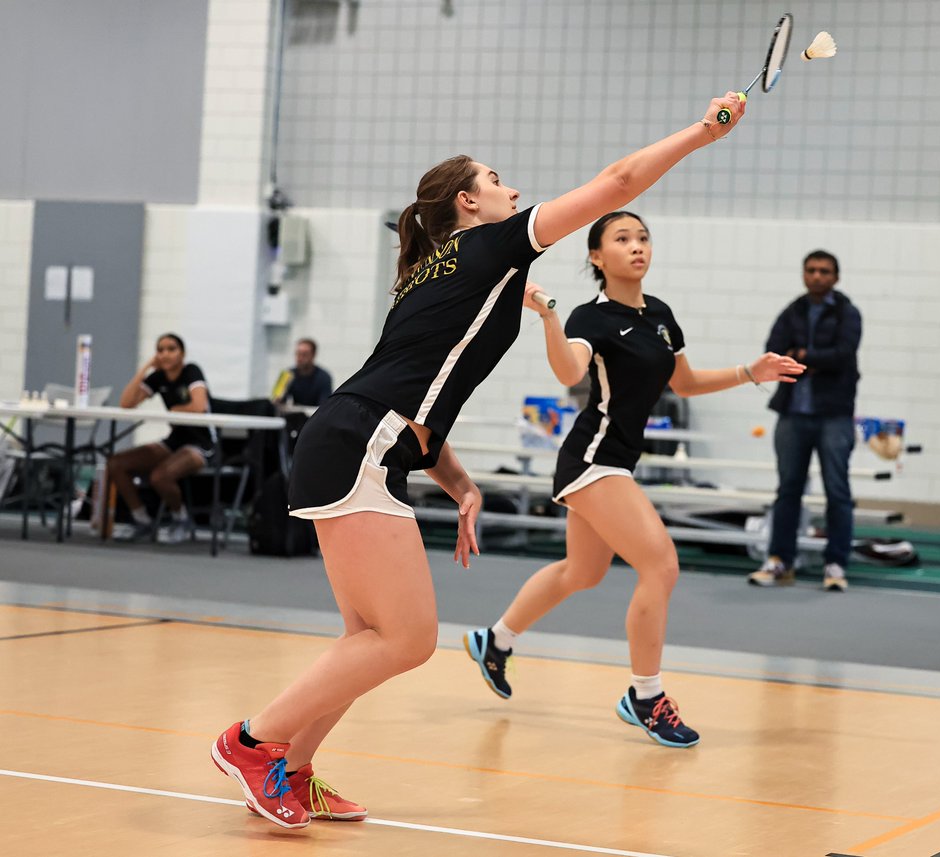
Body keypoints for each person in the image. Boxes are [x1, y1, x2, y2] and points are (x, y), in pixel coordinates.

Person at [210, 93, 749, 830]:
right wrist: (703, 130)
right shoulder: (492, 245)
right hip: (357, 448)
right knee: (407, 639)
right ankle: (249, 741)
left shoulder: (434, 271)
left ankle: (292, 770)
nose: (516, 190)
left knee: (367, 638)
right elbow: (619, 182)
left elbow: (414, 388)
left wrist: (458, 481)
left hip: (360, 443)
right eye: (499, 179)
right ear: (471, 202)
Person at [464, 212, 804, 748]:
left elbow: (684, 383)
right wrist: (549, 319)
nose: (637, 246)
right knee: (660, 564)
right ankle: (645, 696)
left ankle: (495, 640)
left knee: (582, 572)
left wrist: (748, 373)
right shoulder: (589, 318)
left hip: (617, 460)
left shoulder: (661, 315)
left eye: (642, 237)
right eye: (622, 239)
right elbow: (570, 373)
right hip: (592, 460)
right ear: (598, 257)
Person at [747, 250, 862, 591]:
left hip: (834, 416)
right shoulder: (792, 311)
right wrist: (806, 359)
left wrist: (803, 355)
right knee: (787, 491)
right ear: (803, 274)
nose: (816, 276)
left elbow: (843, 355)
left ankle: (836, 564)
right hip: (792, 414)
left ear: (835, 277)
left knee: (838, 492)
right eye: (810, 270)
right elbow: (773, 351)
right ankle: (780, 561)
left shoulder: (848, 313)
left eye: (824, 271)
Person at [106, 333, 215, 545]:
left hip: (201, 443)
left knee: (160, 476)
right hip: (174, 441)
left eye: (171, 349)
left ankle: (181, 519)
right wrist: (146, 367)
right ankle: (141, 520)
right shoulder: (157, 377)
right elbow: (126, 403)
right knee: (116, 463)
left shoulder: (191, 371)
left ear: (182, 354)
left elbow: (199, 406)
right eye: (160, 350)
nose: (165, 354)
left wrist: (176, 409)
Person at [275, 338, 333, 407]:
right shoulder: (286, 374)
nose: (300, 358)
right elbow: (276, 401)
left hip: (315, 415)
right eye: (298, 354)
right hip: (294, 415)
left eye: (304, 354)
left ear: (313, 355)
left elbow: (324, 406)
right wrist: (278, 397)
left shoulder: (324, 377)